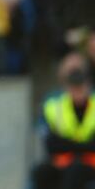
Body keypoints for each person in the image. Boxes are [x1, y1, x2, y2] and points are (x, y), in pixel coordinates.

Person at [33, 53, 95, 189]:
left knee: (75, 172)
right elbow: (51, 144)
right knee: (41, 173)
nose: (77, 91)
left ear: (88, 85)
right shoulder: (54, 106)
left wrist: (69, 145)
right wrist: (83, 146)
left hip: (90, 164)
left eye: (80, 86)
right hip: (63, 162)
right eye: (74, 87)